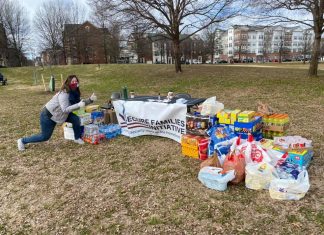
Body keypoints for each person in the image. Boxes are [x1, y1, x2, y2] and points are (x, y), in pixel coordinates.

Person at [17, 75, 97, 151]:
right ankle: (22, 141)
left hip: (62, 115)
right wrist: (78, 105)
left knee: (75, 119)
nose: (75, 83)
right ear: (68, 83)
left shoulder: (74, 93)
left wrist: (90, 100)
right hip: (49, 116)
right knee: (45, 136)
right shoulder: (64, 94)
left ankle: (77, 138)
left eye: (76, 81)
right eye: (72, 81)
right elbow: (65, 109)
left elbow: (79, 103)